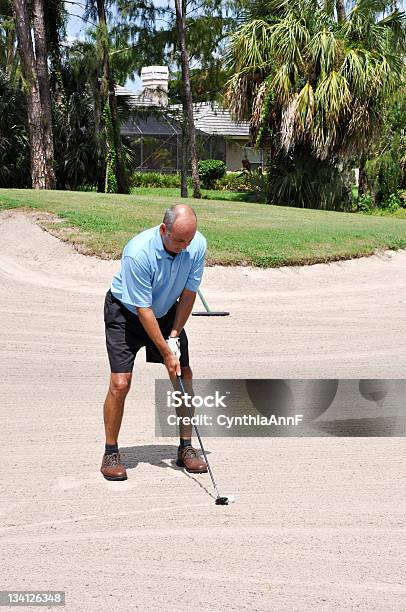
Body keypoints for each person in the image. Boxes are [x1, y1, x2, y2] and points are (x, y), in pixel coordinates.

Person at [101, 204, 208, 481]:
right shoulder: (137, 253)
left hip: (165, 312)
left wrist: (174, 336)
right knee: (120, 382)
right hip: (127, 313)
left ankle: (186, 447)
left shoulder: (196, 245)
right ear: (164, 230)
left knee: (183, 375)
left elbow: (188, 293)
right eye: (179, 240)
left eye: (189, 240)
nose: (185, 247)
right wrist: (164, 351)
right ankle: (110, 452)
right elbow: (143, 309)